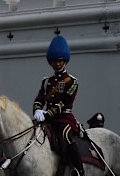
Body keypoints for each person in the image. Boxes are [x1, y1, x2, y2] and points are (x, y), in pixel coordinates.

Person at [33, 36, 83, 176]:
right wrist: (37, 109)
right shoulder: (46, 81)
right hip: (47, 119)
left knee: (65, 136)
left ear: (65, 61)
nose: (57, 64)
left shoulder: (72, 81)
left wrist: (47, 114)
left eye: (60, 60)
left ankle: (78, 169)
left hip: (64, 118)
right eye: (54, 61)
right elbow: (39, 98)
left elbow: (65, 102)